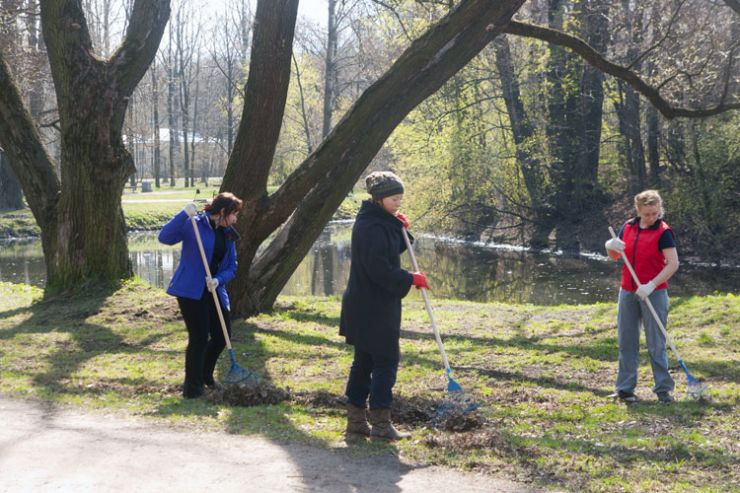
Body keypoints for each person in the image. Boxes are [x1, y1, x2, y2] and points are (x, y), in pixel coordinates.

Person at [339, 171, 429, 440]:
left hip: (371, 302)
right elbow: (379, 268)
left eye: (400, 198)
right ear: (379, 199)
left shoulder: (378, 220)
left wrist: (400, 230)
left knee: (365, 360)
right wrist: (410, 278)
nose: (398, 202)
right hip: (371, 304)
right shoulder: (370, 225)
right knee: (385, 361)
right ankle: (380, 424)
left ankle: (356, 423)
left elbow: (390, 251)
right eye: (393, 198)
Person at [159, 192, 248, 398]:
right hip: (190, 289)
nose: (236, 219)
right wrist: (182, 214)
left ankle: (206, 376)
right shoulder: (193, 224)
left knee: (222, 335)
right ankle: (192, 388)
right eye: (234, 214)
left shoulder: (228, 234)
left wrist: (218, 280)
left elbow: (232, 267)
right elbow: (165, 237)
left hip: (213, 288)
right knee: (199, 337)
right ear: (223, 212)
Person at [605, 190, 679, 404]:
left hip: (654, 292)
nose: (652, 217)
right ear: (638, 211)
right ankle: (625, 389)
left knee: (656, 343)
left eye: (655, 213)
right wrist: (610, 247)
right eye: (647, 214)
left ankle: (663, 390)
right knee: (627, 341)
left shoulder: (664, 232)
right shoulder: (628, 227)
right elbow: (615, 256)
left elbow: (673, 264)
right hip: (627, 290)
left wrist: (651, 285)